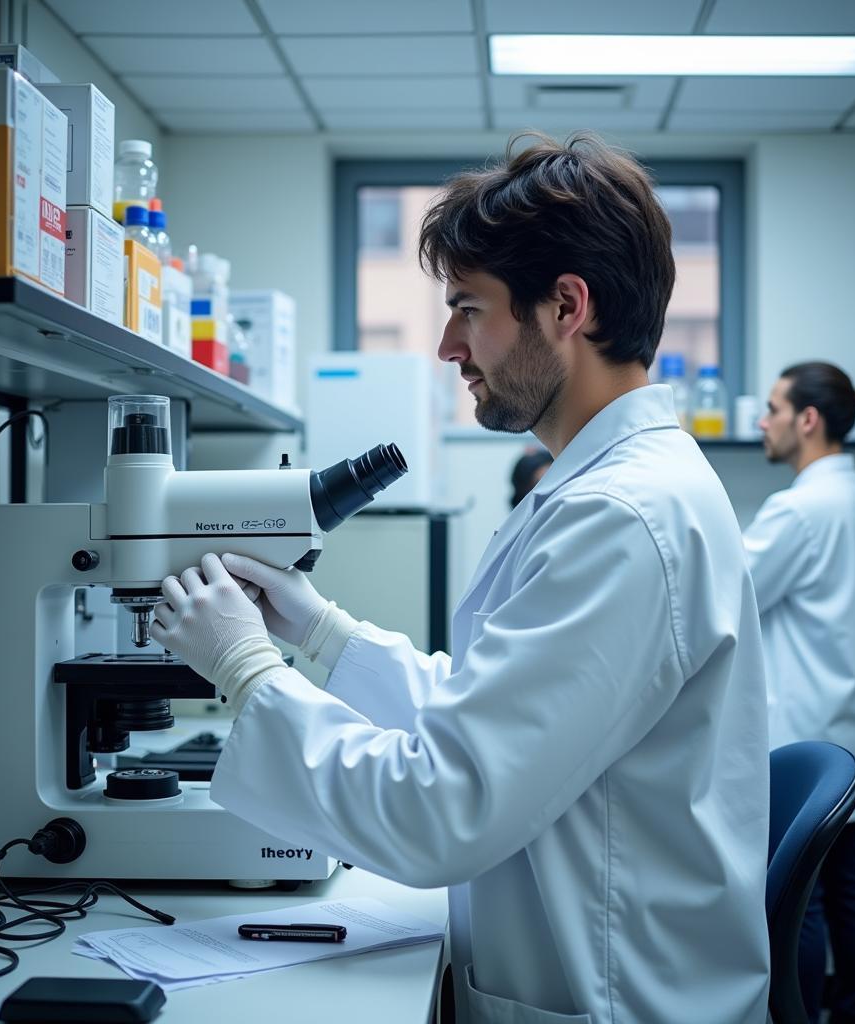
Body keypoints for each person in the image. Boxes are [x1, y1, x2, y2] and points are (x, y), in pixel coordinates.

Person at [151, 133, 771, 1023]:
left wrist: (248, 672)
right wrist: (320, 633)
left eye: (469, 309)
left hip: (616, 997)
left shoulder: (625, 517)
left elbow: (443, 809)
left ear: (567, 306)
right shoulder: (600, 490)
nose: (447, 345)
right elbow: (488, 714)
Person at [743, 362, 855, 1024]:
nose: (762, 421)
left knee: (798, 903)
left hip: (804, 732)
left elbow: (733, 597)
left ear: (808, 419)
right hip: (851, 732)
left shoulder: (801, 507)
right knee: (846, 888)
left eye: (773, 408)